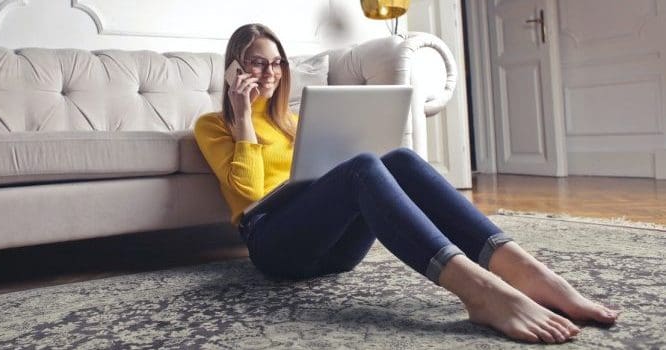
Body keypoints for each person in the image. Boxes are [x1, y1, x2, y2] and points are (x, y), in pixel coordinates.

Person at [194, 23, 619, 344]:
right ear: (235, 68)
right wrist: (244, 116)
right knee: (362, 165)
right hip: (275, 246)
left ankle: (524, 271)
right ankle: (480, 290)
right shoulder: (213, 126)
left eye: (276, 62)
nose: (269, 71)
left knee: (398, 158)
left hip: (335, 253)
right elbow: (248, 194)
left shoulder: (296, 122)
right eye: (256, 61)